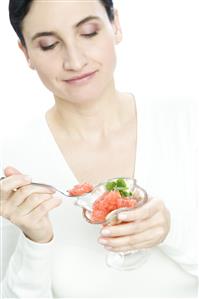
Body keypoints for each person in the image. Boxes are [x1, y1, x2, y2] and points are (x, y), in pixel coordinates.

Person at [0, 0, 198, 297]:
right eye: (49, 44)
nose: (75, 61)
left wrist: (172, 231)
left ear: (115, 25)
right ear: (25, 53)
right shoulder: (13, 169)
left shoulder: (189, 124)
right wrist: (35, 241)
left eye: (89, 33)